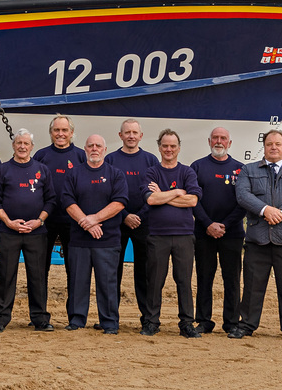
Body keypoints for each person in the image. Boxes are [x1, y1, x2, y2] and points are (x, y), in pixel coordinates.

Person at [232, 128, 282, 340]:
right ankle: (246, 325)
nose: (274, 147)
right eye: (270, 144)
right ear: (264, 147)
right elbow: (242, 195)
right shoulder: (249, 170)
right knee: (252, 286)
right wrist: (265, 210)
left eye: (278, 144)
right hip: (257, 239)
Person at [56, 133, 126, 333]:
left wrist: (94, 219)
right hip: (79, 240)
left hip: (108, 240)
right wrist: (86, 223)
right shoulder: (74, 174)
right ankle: (77, 320)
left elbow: (120, 202)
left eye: (98, 145)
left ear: (105, 150)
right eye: (90, 145)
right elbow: (68, 201)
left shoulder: (115, 174)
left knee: (107, 284)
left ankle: (109, 322)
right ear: (84, 149)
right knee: (78, 282)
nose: (94, 149)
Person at [141, 129, 202, 337]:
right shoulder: (151, 172)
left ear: (178, 148)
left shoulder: (187, 172)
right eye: (165, 146)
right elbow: (150, 199)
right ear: (159, 148)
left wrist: (162, 194)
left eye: (173, 146)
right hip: (157, 235)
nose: (169, 149)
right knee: (155, 280)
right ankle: (151, 322)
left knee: (184, 280)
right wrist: (177, 192)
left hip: (184, 235)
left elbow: (193, 200)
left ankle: (186, 323)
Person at [0, 129, 54, 332]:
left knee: (37, 276)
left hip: (36, 233)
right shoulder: (3, 169)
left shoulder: (42, 170)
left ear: (31, 147)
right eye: (18, 143)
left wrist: (39, 221)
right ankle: (1, 318)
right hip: (9, 232)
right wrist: (8, 222)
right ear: (13, 145)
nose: (22, 146)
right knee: (5, 276)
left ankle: (40, 318)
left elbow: (51, 200)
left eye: (26, 143)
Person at [191, 126, 246, 335]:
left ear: (229, 143)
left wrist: (225, 225)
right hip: (203, 232)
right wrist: (208, 224)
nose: (219, 141)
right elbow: (194, 200)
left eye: (223, 138)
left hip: (231, 233)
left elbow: (243, 202)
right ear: (209, 141)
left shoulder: (241, 169)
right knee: (204, 277)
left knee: (231, 278)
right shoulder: (197, 167)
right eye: (215, 138)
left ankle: (232, 322)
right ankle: (204, 320)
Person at [103, 118, 158, 323]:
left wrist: (139, 216)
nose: (131, 136)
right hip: (115, 222)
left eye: (135, 133)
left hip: (144, 223)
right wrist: (124, 215)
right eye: (127, 132)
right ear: (120, 136)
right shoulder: (110, 160)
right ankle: (109, 318)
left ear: (141, 136)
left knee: (144, 273)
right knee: (111, 272)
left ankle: (147, 317)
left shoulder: (151, 160)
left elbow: (155, 193)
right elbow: (106, 193)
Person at [39, 115, 83, 264]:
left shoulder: (81, 156)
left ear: (71, 132)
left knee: (73, 264)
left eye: (64, 130)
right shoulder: (41, 155)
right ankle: (40, 289)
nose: (60, 134)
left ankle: (73, 289)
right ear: (51, 132)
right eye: (56, 130)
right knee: (41, 263)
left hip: (72, 220)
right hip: (45, 219)